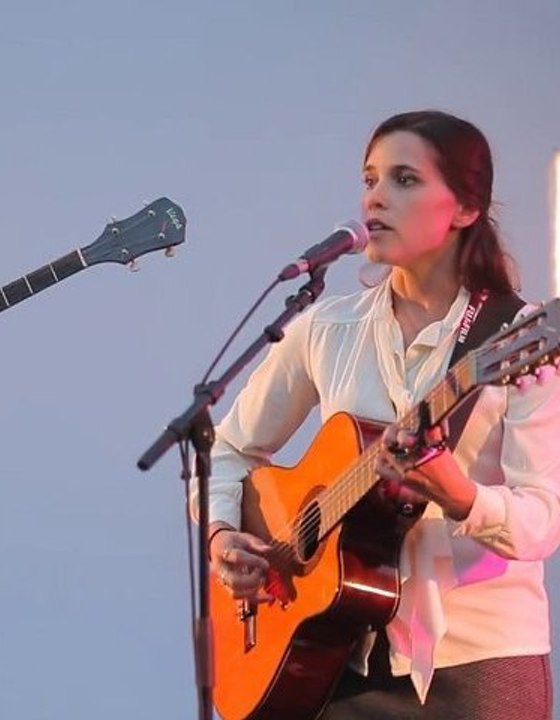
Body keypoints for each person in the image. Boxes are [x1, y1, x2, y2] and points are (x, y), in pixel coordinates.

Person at [196, 110, 560, 719]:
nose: (376, 198)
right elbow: (226, 450)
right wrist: (222, 534)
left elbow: (543, 520)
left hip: (479, 664)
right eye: (370, 180)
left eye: (404, 179)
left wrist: (463, 496)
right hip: (337, 658)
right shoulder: (325, 328)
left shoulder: (515, 339)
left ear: (466, 208)